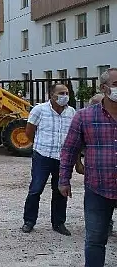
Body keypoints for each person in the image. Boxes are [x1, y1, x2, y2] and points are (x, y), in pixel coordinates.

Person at [59, 68, 117, 267]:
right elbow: (69, 149)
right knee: (95, 240)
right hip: (97, 189)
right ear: (104, 88)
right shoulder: (84, 117)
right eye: (116, 85)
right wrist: (63, 180)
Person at [21, 82, 75, 236]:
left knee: (61, 191)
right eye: (61, 93)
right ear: (51, 95)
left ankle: (58, 223)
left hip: (63, 159)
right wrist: (40, 145)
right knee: (36, 189)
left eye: (66, 93)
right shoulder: (39, 110)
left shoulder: (71, 112)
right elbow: (29, 132)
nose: (65, 96)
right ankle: (29, 221)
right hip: (42, 156)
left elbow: (73, 137)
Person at [73, 93, 114, 237]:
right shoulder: (85, 119)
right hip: (96, 180)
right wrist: (78, 163)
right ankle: (105, 226)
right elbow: (74, 146)